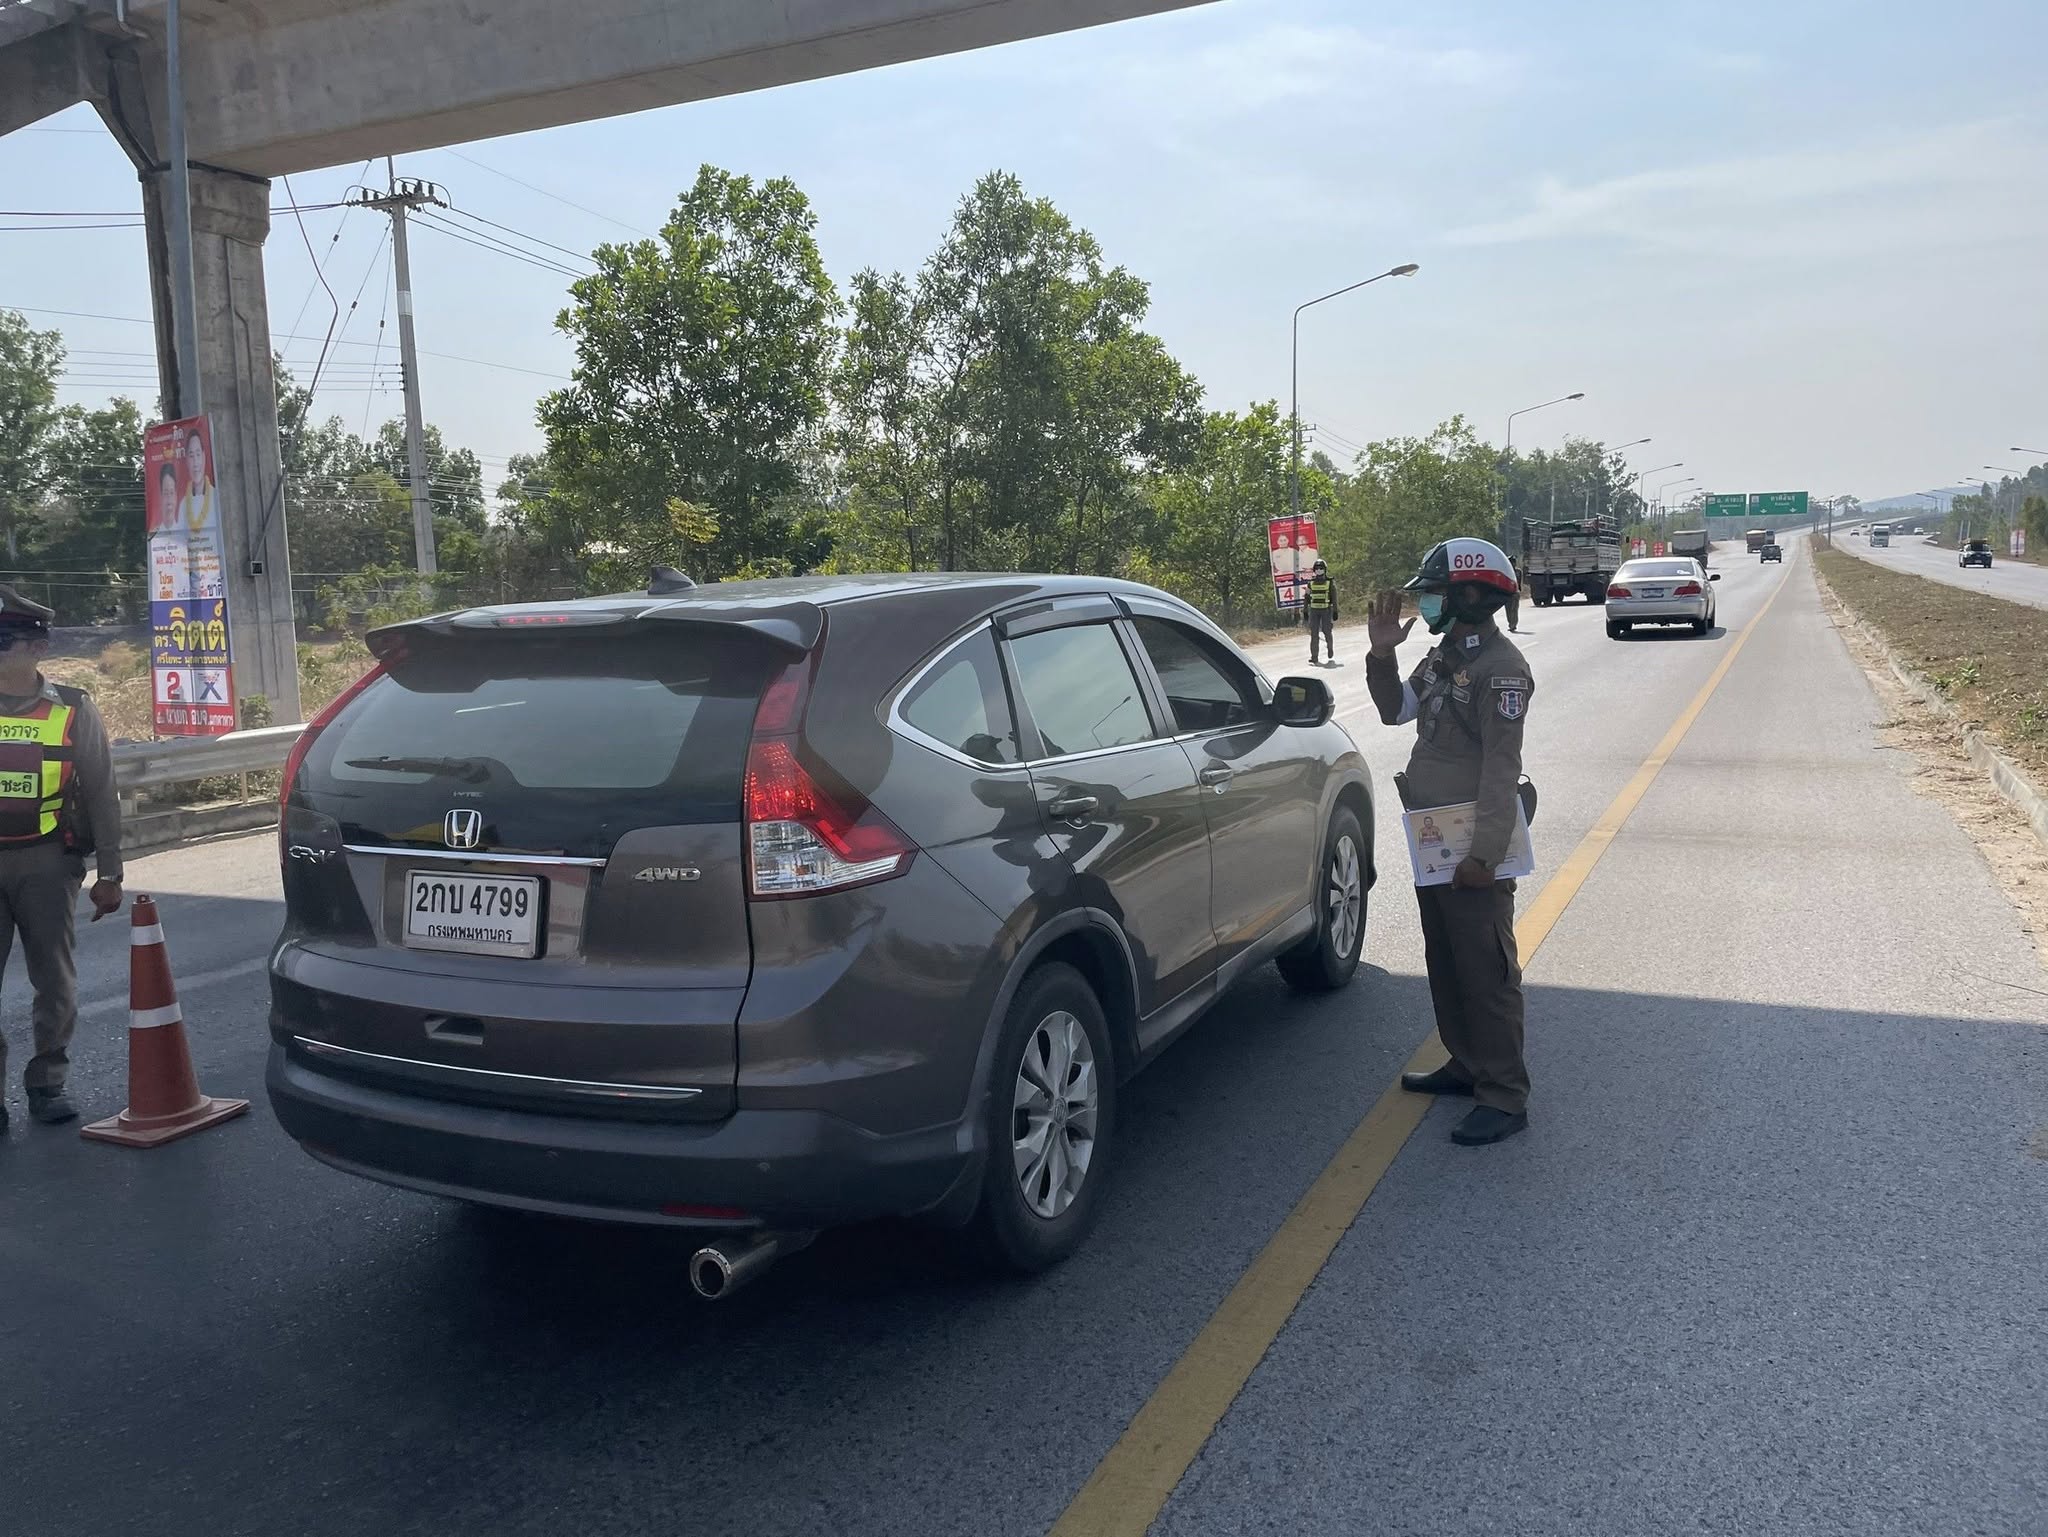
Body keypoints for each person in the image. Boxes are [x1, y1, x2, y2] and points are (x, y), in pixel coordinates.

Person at [1365, 538, 1533, 1145]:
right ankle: (1466, 1063)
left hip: (1471, 847)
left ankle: (1504, 1094)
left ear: (1472, 595)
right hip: (1434, 841)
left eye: (1437, 592)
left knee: (1486, 970)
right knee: (1448, 960)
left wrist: (1484, 856)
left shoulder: (1502, 670)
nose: (1427, 602)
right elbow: (1395, 711)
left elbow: (1501, 768)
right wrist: (1382, 655)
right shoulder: (1443, 657)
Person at [0, 587, 124, 1131]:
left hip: (47, 864)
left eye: (3, 641)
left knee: (54, 980)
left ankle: (48, 1083)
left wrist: (111, 872)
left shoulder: (73, 708)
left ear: (36, 648)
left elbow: (100, 792)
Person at [1305, 558, 1337, 665]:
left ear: (1325, 569)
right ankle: (1314, 657)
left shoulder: (1330, 583)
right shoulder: (1310, 583)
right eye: (1317, 568)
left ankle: (1330, 648)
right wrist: (1305, 611)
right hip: (1314, 611)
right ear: (1314, 570)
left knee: (1326, 631)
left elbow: (1334, 598)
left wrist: (1335, 611)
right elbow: (1306, 597)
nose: (1319, 570)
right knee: (1314, 634)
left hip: (1326, 611)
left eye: (1321, 568)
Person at [1504, 557, 1522, 633]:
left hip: (1515, 592)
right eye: (1511, 562)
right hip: (1507, 592)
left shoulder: (1518, 571)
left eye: (1513, 562)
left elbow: (1519, 581)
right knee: (1508, 610)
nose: (1512, 564)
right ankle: (1510, 623)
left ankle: (1513, 625)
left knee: (1514, 610)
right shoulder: (1505, 571)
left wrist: (1519, 590)